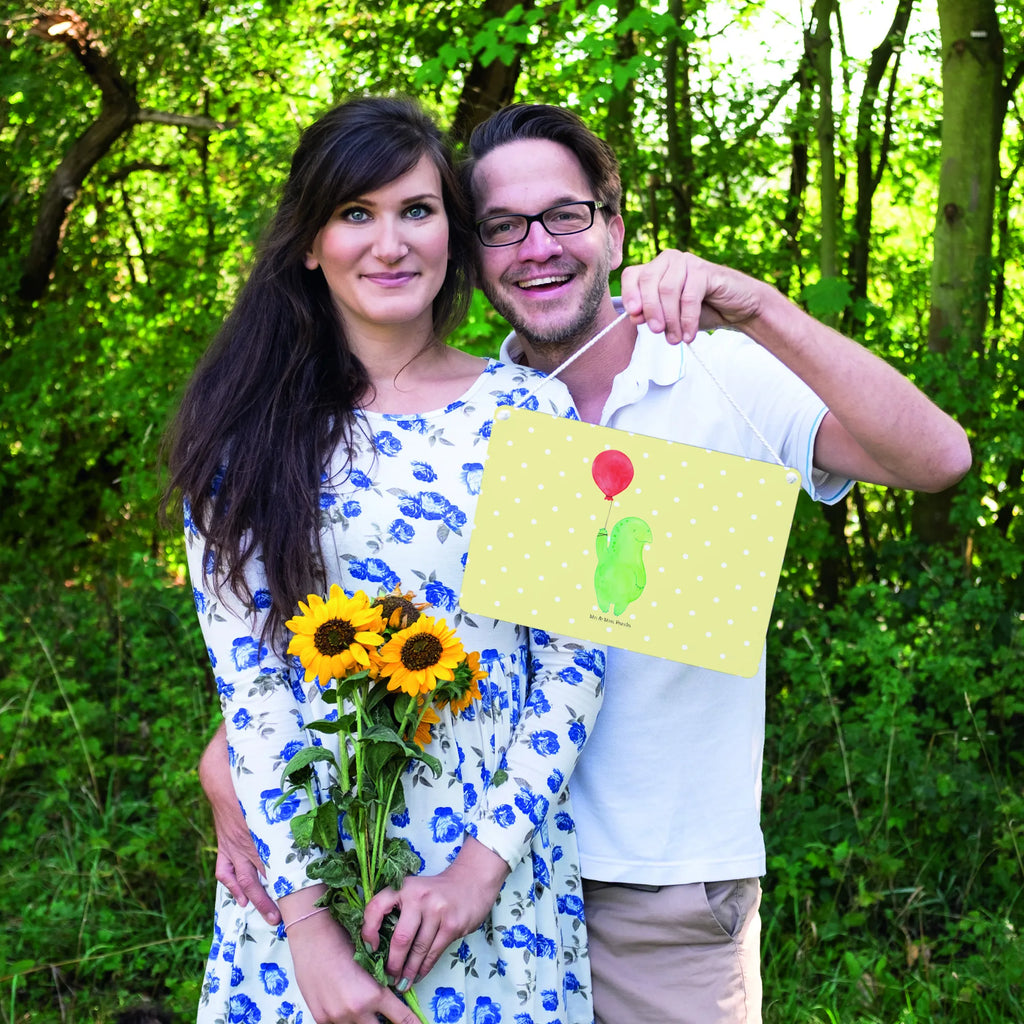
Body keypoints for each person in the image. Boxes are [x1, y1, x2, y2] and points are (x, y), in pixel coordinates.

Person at [202, 102, 972, 1024]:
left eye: (565, 215)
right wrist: (234, 767)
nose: (537, 247)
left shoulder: (711, 373)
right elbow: (338, 633)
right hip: (438, 877)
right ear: (474, 251)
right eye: (501, 227)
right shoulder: (460, 415)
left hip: (656, 887)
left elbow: (938, 461)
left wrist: (760, 307)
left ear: (612, 226)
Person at [165, 97, 609, 1024]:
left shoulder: (531, 413)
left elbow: (573, 665)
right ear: (309, 244)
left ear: (452, 229)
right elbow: (252, 693)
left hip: (492, 890)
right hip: (302, 890)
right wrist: (312, 937)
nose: (390, 242)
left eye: (416, 210)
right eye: (355, 214)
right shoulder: (242, 438)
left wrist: (477, 873)